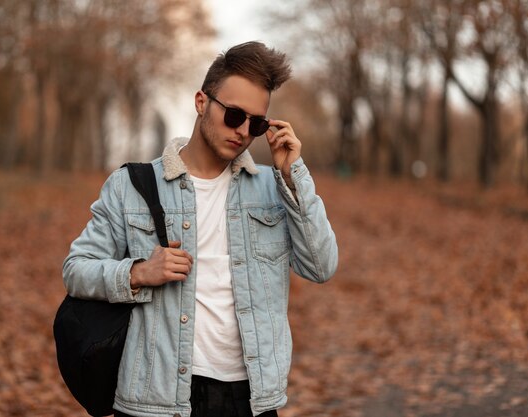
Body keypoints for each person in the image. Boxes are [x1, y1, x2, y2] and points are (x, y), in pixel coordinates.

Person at [62, 41, 338, 417]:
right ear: (201, 102)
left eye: (255, 123)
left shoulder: (274, 190)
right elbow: (76, 270)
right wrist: (139, 272)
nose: (243, 131)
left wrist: (294, 176)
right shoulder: (131, 186)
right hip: (156, 400)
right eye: (234, 115)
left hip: (251, 400)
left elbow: (321, 266)